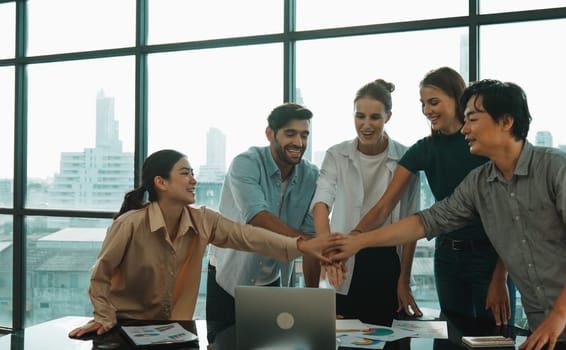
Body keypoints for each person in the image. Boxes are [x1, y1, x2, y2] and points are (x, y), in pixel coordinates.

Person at [330, 79, 566, 350]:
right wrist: (359, 241)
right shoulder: (479, 182)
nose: (465, 129)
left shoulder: (562, 169)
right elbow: (426, 221)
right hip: (542, 326)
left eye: (472, 119)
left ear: (506, 121)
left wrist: (559, 314)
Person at [68, 149, 336, 337]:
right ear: (160, 182)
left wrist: (302, 245)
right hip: (125, 329)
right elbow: (100, 276)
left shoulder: (203, 220)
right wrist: (104, 316)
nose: (194, 180)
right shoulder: (130, 225)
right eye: (185, 173)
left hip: (176, 332)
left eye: (193, 173)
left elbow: (250, 237)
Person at [351, 67, 516, 326]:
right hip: (448, 258)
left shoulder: (483, 146)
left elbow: (511, 219)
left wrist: (500, 277)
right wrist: (352, 239)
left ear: (458, 99)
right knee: (451, 336)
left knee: (495, 336)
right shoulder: (424, 150)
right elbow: (385, 206)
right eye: (423, 103)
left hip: (492, 257)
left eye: (434, 102)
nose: (427, 110)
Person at [206, 103, 320, 341]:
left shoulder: (312, 177)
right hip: (228, 276)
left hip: (272, 280)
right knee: (222, 344)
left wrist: (313, 301)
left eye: (304, 135)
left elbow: (312, 241)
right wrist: (307, 243)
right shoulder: (245, 163)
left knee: (269, 345)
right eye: (290, 134)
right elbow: (257, 218)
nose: (299, 143)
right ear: (270, 134)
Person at [311, 79, 421, 326]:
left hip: (387, 261)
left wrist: (403, 280)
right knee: (344, 334)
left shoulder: (407, 157)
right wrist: (326, 248)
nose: (366, 125)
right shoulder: (336, 154)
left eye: (375, 117)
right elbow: (321, 203)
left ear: (388, 117)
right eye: (360, 117)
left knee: (386, 337)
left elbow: (411, 223)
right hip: (344, 257)